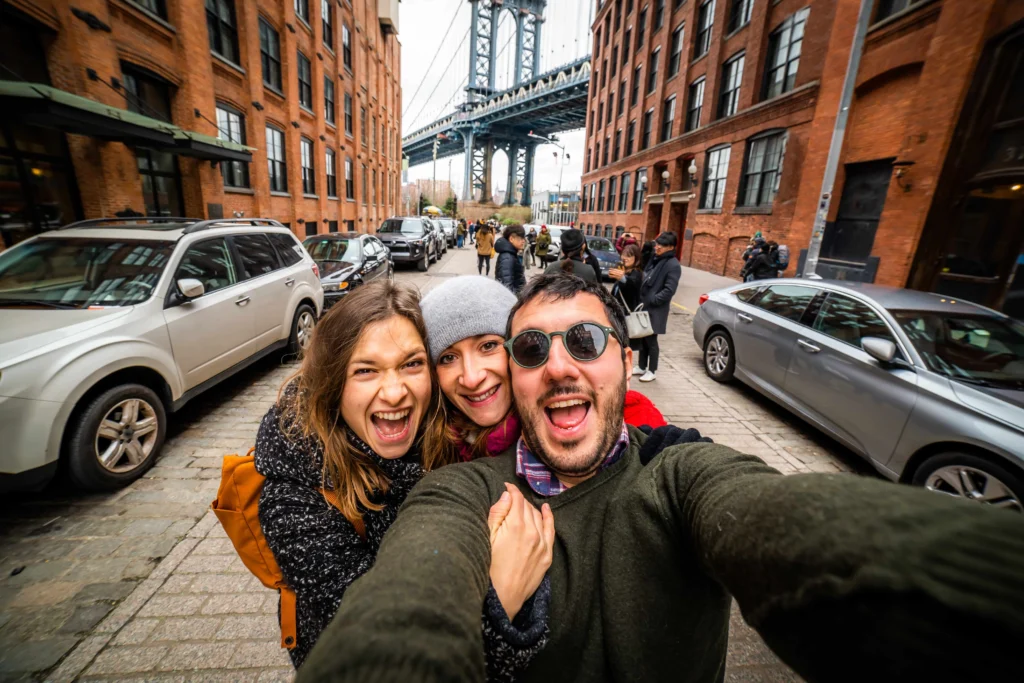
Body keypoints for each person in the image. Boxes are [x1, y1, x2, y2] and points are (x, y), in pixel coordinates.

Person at [297, 273, 1024, 683]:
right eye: (528, 348)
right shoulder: (460, 483)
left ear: (623, 360)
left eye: (584, 341)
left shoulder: (675, 468)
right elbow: (417, 583)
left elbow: (770, 516)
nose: (556, 365)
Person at [254, 282, 554, 676]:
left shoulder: (452, 433)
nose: (394, 393)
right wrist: (502, 603)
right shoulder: (296, 482)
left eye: (412, 364)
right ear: (332, 382)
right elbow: (381, 643)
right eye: (365, 370)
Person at [420, 275, 669, 466]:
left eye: (488, 346)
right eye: (448, 358)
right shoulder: (430, 441)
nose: (472, 378)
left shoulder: (628, 425)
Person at [635, 232, 681, 383]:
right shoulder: (655, 259)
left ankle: (652, 370)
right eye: (657, 243)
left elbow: (669, 290)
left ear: (671, 247)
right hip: (645, 305)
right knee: (643, 337)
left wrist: (654, 299)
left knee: (651, 340)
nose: (658, 247)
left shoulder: (673, 265)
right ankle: (641, 366)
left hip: (656, 308)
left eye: (662, 245)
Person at [608, 243, 645, 375]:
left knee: (624, 343)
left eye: (629, 256)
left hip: (627, 315)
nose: (625, 258)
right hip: (617, 313)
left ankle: (622, 369)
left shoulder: (636, 274)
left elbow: (632, 286)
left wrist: (622, 278)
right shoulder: (624, 272)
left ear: (636, 259)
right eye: (624, 255)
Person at [494, 224, 526, 294]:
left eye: (524, 238)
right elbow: (507, 288)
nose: (523, 241)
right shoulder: (507, 257)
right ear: (511, 239)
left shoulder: (510, 254)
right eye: (521, 238)